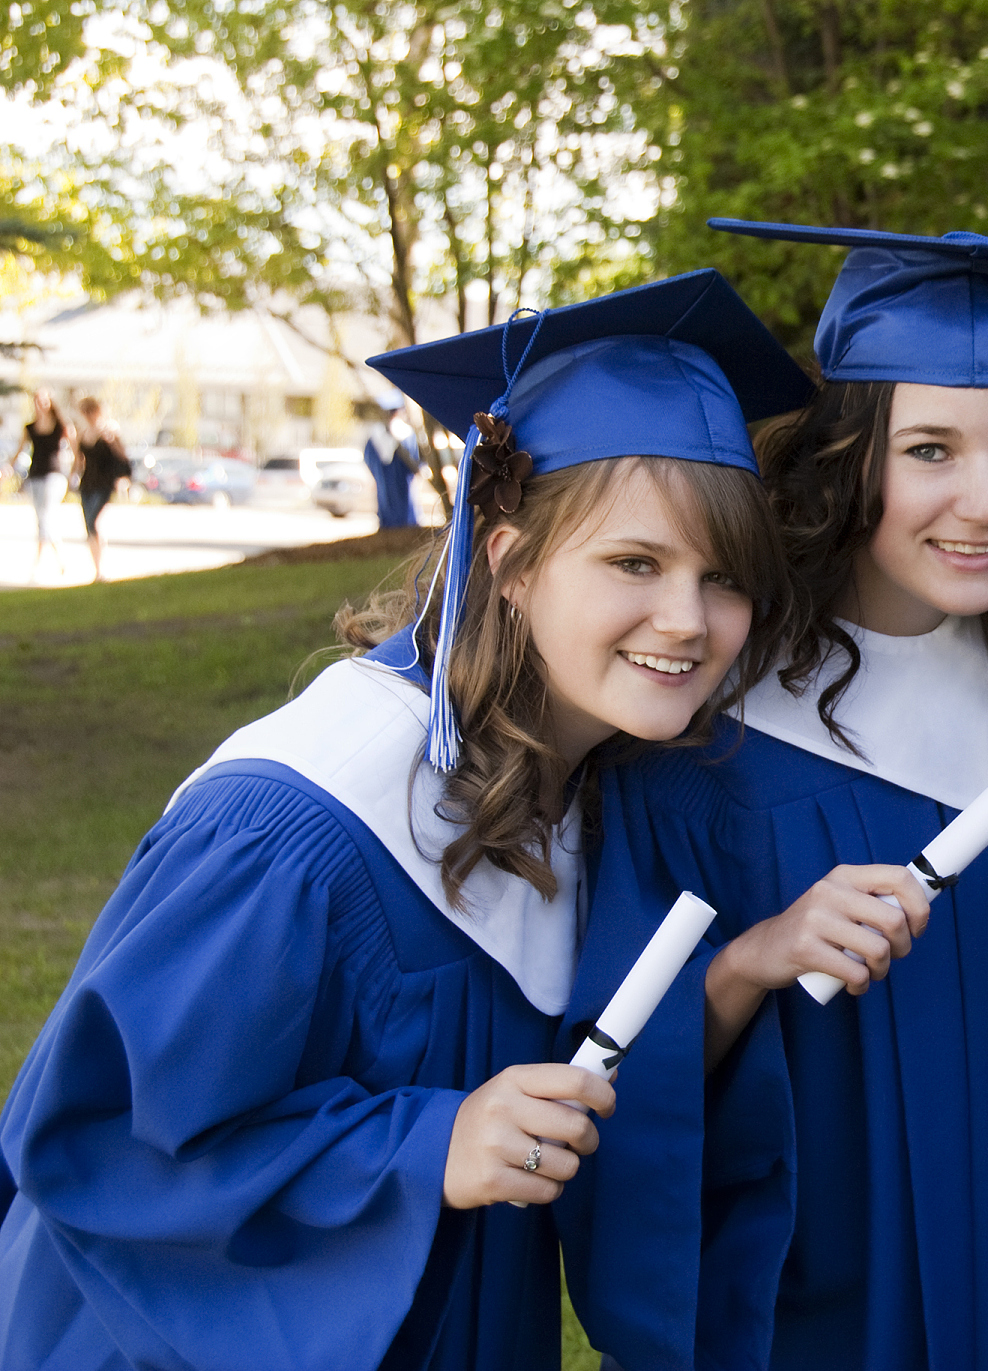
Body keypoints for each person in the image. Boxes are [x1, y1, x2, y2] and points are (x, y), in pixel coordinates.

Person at [0, 271, 813, 1371]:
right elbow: (99, 1138)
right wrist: (428, 1145)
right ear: (511, 565)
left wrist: (746, 968)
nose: (687, 621)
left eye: (724, 579)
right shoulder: (295, 829)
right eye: (634, 562)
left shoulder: (596, 788)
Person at [558, 222, 988, 1371]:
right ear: (856, 457)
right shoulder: (706, 722)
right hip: (798, 1302)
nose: (986, 501)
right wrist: (752, 958)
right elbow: (603, 1072)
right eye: (932, 449)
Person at [12, 389, 71, 581]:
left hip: (54, 475)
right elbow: (19, 450)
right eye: (38, 401)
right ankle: (60, 561)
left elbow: (75, 447)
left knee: (46, 517)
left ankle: (39, 564)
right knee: (43, 519)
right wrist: (7, 468)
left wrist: (76, 470)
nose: (41, 405)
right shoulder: (29, 427)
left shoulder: (60, 425)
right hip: (35, 476)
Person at [74, 397, 132, 582]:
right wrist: (70, 477)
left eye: (92, 410)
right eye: (86, 411)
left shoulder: (110, 429)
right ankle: (97, 568)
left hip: (104, 483)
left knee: (95, 521)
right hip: (88, 482)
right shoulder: (82, 433)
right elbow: (79, 460)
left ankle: (101, 568)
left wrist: (111, 440)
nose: (89, 415)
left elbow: (123, 457)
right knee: (89, 526)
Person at [367, 394, 424, 529]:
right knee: (405, 508)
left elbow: (368, 459)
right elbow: (417, 459)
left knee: (388, 505)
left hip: (387, 482)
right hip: (400, 482)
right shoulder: (406, 434)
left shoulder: (375, 436)